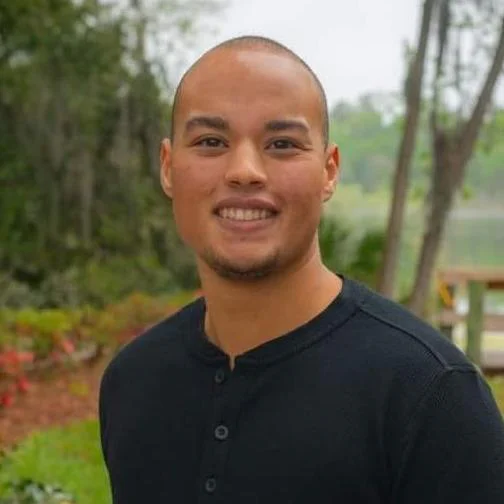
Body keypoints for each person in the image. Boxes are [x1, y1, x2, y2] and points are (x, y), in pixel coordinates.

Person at [98, 35, 504, 503]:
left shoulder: (430, 395)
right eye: (211, 142)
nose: (245, 171)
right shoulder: (134, 382)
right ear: (169, 167)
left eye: (282, 144)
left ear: (329, 171)